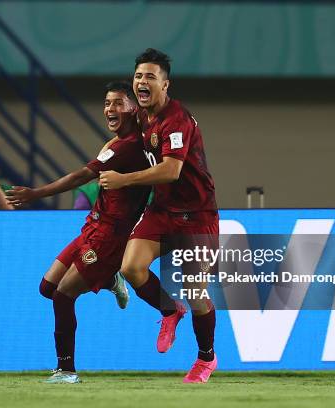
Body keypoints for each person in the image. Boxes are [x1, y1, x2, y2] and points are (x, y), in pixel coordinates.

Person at [6, 81, 151, 384]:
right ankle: (111, 279)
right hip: (92, 227)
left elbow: (82, 176)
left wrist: (36, 193)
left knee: (63, 295)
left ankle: (67, 370)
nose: (110, 109)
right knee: (47, 289)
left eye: (118, 103)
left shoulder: (130, 147)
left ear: (133, 108)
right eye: (107, 102)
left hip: (108, 237)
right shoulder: (116, 144)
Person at [99, 49, 219, 383]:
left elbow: (171, 170)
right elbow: (125, 141)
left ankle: (206, 358)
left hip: (197, 214)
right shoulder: (140, 116)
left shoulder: (176, 119)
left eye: (150, 77)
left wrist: (123, 180)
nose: (142, 81)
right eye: (138, 76)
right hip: (162, 211)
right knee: (131, 268)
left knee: (196, 292)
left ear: (166, 85)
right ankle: (169, 310)